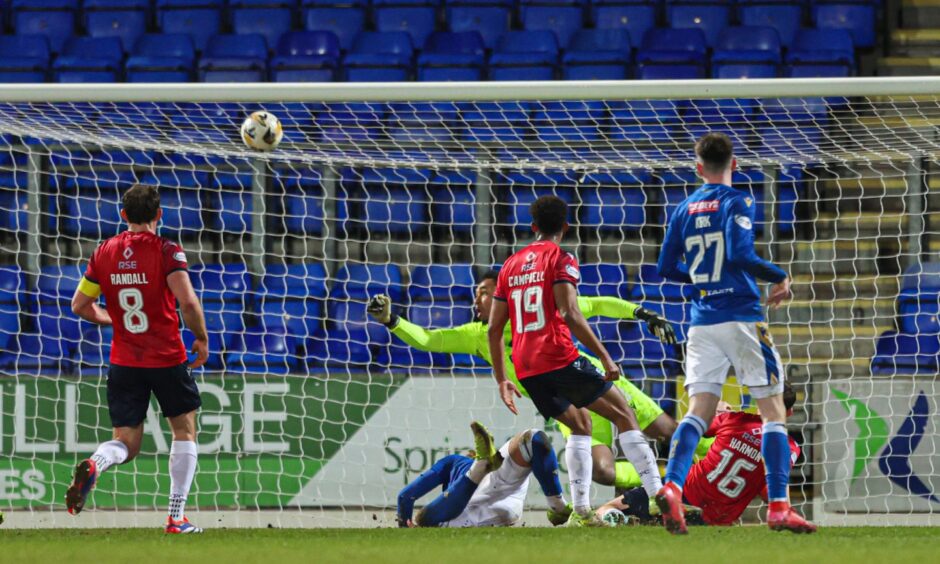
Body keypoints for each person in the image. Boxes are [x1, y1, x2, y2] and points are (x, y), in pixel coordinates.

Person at [369, 273, 713, 496]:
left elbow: (596, 304)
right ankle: (677, 475)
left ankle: (721, 458)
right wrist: (392, 321)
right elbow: (429, 340)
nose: (477, 299)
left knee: (668, 430)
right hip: (568, 404)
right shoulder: (477, 335)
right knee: (604, 473)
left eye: (484, 292)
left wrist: (641, 314)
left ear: (503, 297)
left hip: (595, 380)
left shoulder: (539, 312)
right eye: (476, 293)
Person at [654, 132, 816, 535]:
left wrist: (695, 280)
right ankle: (779, 505)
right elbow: (742, 254)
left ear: (697, 167)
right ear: (735, 164)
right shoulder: (737, 200)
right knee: (773, 411)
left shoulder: (684, 207)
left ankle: (672, 487)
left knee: (698, 411)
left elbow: (664, 266)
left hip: (701, 319)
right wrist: (780, 276)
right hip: (741, 315)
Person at [486, 195, 663, 527]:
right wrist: (605, 358)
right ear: (565, 227)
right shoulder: (561, 258)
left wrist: (501, 379)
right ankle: (659, 496)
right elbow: (569, 312)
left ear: (533, 227)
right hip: (558, 357)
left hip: (526, 369)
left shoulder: (509, 265)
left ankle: (581, 509)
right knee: (624, 413)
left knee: (580, 425)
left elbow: (494, 328)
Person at [67, 184, 209, 534]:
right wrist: (202, 338)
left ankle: (97, 462)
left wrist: (110, 319)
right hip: (167, 357)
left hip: (125, 360)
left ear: (123, 215)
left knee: (126, 444)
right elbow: (188, 302)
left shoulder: (103, 252)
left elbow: (80, 306)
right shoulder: (167, 251)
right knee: (184, 429)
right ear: (160, 215)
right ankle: (176, 517)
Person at [597, 384, 802, 527]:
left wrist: (715, 409)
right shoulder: (791, 448)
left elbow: (693, 428)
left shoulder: (732, 419)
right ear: (790, 411)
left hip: (685, 492)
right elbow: (770, 486)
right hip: (717, 518)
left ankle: (613, 519)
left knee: (607, 508)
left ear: (759, 402)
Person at [396, 423, 567, 528]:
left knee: (423, 520)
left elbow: (405, 496)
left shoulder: (452, 462)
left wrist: (404, 526)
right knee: (532, 438)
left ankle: (479, 468)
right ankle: (558, 506)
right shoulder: (473, 464)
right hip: (508, 505)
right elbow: (537, 441)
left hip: (460, 514)